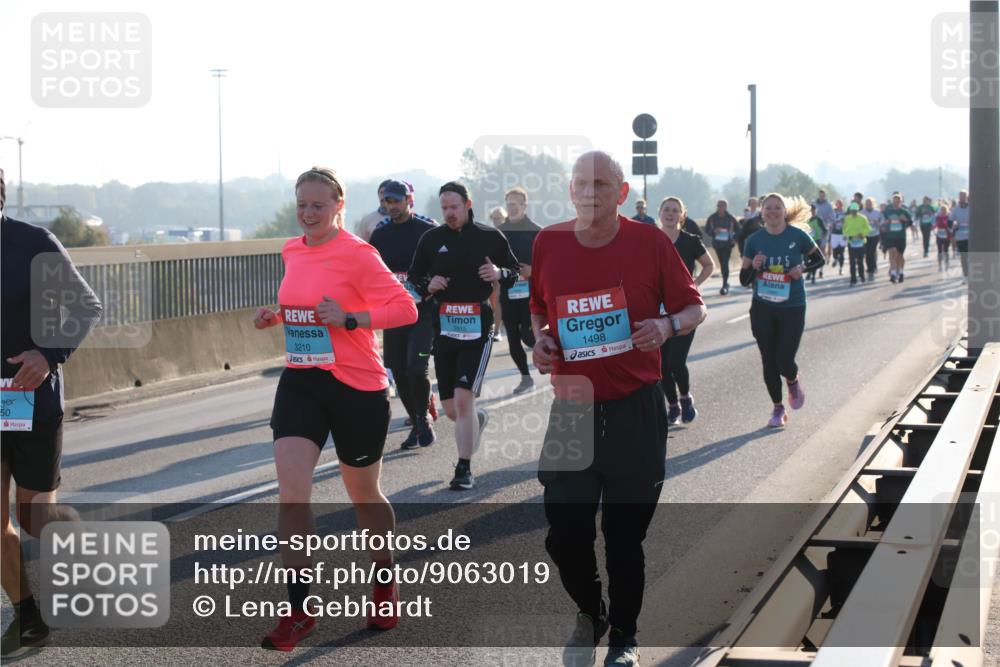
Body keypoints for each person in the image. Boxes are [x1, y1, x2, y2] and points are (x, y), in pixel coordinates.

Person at [530, 151, 706, 667]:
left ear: (622, 192)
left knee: (624, 538)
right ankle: (592, 611)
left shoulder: (650, 241)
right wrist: (540, 339)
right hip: (572, 408)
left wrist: (668, 326)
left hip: (635, 407)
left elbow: (694, 305)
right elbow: (540, 307)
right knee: (565, 535)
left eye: (602, 184)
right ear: (570, 189)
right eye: (582, 183)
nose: (590, 192)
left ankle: (625, 637)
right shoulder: (549, 242)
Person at [253, 167, 418, 650]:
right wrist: (277, 315)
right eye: (301, 204)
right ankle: (300, 610)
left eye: (318, 205)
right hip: (302, 381)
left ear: (338, 206)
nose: (308, 213)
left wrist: (351, 318)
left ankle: (385, 581)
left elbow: (405, 309)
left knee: (363, 494)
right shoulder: (291, 249)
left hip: (356, 387)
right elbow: (303, 303)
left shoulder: (359, 253)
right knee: (292, 494)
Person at [1, 167, 103, 658]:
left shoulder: (31, 242)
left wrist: (49, 354)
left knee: (37, 517)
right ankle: (29, 620)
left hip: (30, 400)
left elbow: (87, 304)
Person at [408, 181, 520, 491]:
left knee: (463, 397)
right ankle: (476, 420)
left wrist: (498, 273)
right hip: (444, 329)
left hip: (478, 327)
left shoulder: (489, 236)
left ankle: (464, 468)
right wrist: (429, 285)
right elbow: (414, 279)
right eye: (444, 208)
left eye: (454, 207)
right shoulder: (432, 239)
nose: (449, 213)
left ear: (467, 204)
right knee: (452, 410)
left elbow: (514, 272)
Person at [740, 193, 825, 428]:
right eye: (769, 208)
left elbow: (819, 260)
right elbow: (744, 279)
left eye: (778, 208)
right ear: (762, 212)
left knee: (784, 359)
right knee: (768, 360)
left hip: (792, 306)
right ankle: (778, 408)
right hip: (762, 307)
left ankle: (792, 379)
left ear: (784, 212)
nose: (773, 211)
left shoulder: (798, 236)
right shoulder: (754, 240)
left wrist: (802, 268)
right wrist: (754, 266)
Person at [369, 179, 439, 450]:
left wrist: (428, 284)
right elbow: (372, 272)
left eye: (396, 201)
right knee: (397, 370)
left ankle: (422, 418)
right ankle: (418, 421)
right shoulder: (380, 234)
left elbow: (443, 264)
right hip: (394, 312)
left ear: (410, 200)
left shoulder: (427, 230)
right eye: (386, 201)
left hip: (423, 311)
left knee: (415, 367)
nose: (391, 206)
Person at [657, 196, 714, 424]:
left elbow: (709, 265)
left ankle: (685, 397)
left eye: (675, 210)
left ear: (682, 215)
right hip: (657, 310)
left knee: (676, 362)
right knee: (661, 366)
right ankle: (672, 405)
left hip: (685, 309)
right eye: (666, 209)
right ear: (660, 213)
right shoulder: (650, 239)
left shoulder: (690, 241)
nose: (670, 213)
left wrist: (695, 284)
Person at [495, 187, 542, 395]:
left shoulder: (536, 230)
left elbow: (548, 263)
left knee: (527, 334)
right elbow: (493, 260)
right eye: (509, 204)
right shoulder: (500, 232)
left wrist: (533, 270)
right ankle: (525, 377)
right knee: (513, 337)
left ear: (524, 206)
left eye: (516, 204)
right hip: (509, 291)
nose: (512, 207)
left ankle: (548, 354)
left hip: (531, 292)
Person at [704, 199, 738, 295]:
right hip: (717, 244)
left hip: (727, 245)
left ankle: (724, 284)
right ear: (717, 206)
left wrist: (734, 239)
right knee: (722, 263)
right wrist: (713, 231)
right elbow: (707, 229)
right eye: (719, 205)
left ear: (726, 207)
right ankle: (725, 282)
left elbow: (739, 230)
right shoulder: (712, 218)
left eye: (723, 205)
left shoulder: (731, 218)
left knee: (725, 263)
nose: (721, 207)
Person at [881, 192, 913, 283]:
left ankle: (901, 272)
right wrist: (885, 223)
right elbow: (883, 221)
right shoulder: (888, 211)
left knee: (899, 256)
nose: (896, 202)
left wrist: (905, 220)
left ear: (901, 201)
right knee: (892, 253)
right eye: (894, 200)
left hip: (901, 236)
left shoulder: (904, 211)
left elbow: (910, 222)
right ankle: (894, 274)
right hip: (890, 236)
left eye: (898, 200)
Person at [487, 207, 506, 341]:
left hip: (514, 274)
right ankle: (497, 330)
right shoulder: (489, 234)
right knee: (497, 301)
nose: (496, 221)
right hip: (496, 273)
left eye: (499, 218)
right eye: (494, 218)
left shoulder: (511, 231)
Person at [842, 203, 872, 286]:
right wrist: (845, 235)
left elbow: (868, 228)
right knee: (852, 262)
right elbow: (844, 229)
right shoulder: (847, 219)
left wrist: (862, 234)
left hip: (861, 242)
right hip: (851, 242)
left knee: (860, 261)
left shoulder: (863, 218)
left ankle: (862, 276)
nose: (853, 212)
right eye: (852, 211)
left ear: (857, 210)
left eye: (855, 211)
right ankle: (853, 279)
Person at [950, 190, 971, 280]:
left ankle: (971, 273)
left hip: (971, 237)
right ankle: (965, 275)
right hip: (960, 237)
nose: (962, 197)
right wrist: (954, 224)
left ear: (967, 197)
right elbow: (949, 221)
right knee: (963, 256)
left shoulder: (972, 207)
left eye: (964, 195)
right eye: (960, 196)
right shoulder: (955, 209)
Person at [861, 197, 883, 280]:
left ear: (873, 204)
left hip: (875, 234)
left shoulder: (877, 212)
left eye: (870, 203)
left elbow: (882, 221)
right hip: (865, 235)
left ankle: (871, 269)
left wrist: (878, 222)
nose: (868, 205)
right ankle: (871, 267)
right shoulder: (862, 213)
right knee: (867, 252)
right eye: (867, 203)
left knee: (872, 251)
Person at [805, 205, 826, 284]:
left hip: (817, 241)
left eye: (813, 210)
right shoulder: (805, 219)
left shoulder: (818, 219)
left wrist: (823, 237)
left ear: (816, 211)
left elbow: (824, 230)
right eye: (811, 210)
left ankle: (813, 276)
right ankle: (809, 272)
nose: (812, 212)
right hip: (807, 242)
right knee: (806, 259)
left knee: (815, 259)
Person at [827, 199, 847, 276]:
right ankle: (835, 259)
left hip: (842, 234)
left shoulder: (845, 213)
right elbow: (829, 221)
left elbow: (846, 223)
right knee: (835, 251)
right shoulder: (833, 212)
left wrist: (846, 234)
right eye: (838, 204)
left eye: (840, 204)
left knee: (841, 252)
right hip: (834, 234)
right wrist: (830, 225)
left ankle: (841, 269)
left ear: (842, 205)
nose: (839, 205)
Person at [933, 204, 953, 272]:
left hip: (947, 235)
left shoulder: (949, 217)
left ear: (946, 210)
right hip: (939, 235)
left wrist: (950, 228)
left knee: (946, 250)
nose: (943, 211)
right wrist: (934, 228)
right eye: (942, 210)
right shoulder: (937, 217)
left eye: (944, 210)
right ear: (940, 211)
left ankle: (947, 264)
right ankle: (940, 265)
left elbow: (951, 225)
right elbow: (934, 224)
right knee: (939, 251)